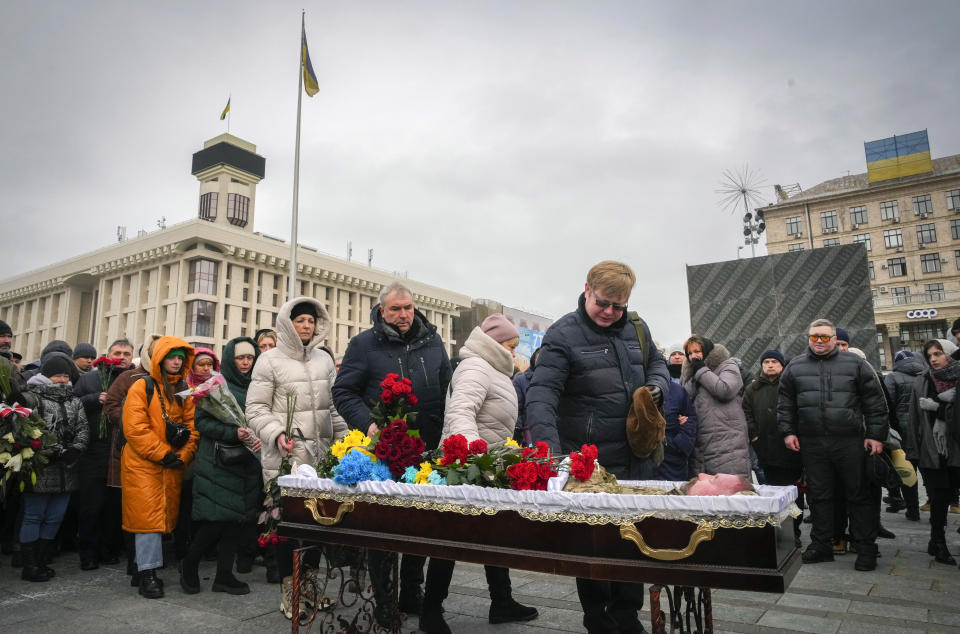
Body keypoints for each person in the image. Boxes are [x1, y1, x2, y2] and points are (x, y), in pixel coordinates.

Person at [525, 261, 669, 634]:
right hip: (588, 465)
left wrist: (657, 386)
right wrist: (549, 455)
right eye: (603, 303)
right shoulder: (563, 335)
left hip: (634, 457)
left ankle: (627, 616)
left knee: (632, 540)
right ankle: (598, 619)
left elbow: (657, 363)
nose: (609, 312)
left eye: (617, 307)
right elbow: (541, 395)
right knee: (593, 546)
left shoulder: (637, 327)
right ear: (587, 289)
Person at [333, 282, 452, 625]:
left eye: (408, 308)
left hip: (427, 449)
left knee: (423, 526)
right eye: (396, 309)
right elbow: (343, 391)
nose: (403, 315)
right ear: (381, 310)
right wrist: (367, 423)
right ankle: (386, 603)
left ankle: (411, 593)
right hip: (384, 452)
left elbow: (447, 389)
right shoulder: (364, 345)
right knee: (385, 530)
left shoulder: (433, 341)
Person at [423, 315, 538, 632]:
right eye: (511, 346)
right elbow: (461, 413)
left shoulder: (492, 370)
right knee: (449, 540)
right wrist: (475, 454)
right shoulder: (476, 367)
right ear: (496, 344)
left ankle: (502, 601)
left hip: (486, 467)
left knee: (495, 534)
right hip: (466, 467)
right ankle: (431, 610)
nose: (514, 353)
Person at [247, 297, 347, 613]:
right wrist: (276, 432)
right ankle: (289, 594)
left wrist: (346, 444)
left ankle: (310, 590)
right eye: (300, 320)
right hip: (286, 458)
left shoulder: (324, 361)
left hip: (322, 459)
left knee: (319, 523)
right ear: (287, 323)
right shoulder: (269, 360)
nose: (306, 326)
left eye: (310, 321)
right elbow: (256, 408)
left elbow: (333, 408)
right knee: (287, 527)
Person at [778, 319, 888, 571]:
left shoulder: (856, 364)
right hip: (812, 442)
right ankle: (821, 545)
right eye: (814, 336)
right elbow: (785, 405)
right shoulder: (795, 366)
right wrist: (788, 432)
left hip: (850, 441)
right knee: (819, 495)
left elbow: (875, 403)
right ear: (808, 337)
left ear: (834, 339)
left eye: (825, 337)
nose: (819, 341)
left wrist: (875, 435)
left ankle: (866, 547)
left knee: (858, 494)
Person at [180, 337, 263, 595]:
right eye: (240, 357)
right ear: (230, 359)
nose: (246, 362)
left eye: (250, 357)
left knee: (236, 522)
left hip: (247, 463)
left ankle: (224, 577)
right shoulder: (215, 385)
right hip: (219, 463)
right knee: (216, 521)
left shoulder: (258, 386)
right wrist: (234, 432)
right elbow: (203, 423)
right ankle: (189, 564)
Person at [121, 337, 199, 599]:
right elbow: (135, 428)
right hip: (143, 464)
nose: (177, 361)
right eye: (171, 356)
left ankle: (141, 568)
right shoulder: (141, 386)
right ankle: (148, 575)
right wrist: (163, 454)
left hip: (169, 464)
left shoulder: (183, 389)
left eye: (180, 357)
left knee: (160, 517)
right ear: (159, 358)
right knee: (148, 521)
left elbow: (192, 427)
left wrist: (183, 456)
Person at [21, 354, 89, 582]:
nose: (61, 380)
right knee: (34, 515)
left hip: (68, 468)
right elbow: (30, 429)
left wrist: (76, 448)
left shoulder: (74, 400)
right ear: (45, 376)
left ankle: (42, 559)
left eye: (65, 375)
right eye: (56, 375)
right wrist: (58, 449)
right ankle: (29, 564)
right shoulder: (31, 399)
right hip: (41, 466)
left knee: (55, 516)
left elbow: (82, 426)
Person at [73, 338, 134, 570]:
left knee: (114, 506)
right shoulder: (90, 378)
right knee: (92, 505)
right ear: (107, 355)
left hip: (121, 451)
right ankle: (88, 552)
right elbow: (72, 404)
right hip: (95, 451)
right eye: (117, 352)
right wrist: (92, 399)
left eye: (126, 353)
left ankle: (109, 549)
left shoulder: (135, 379)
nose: (121, 357)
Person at [104, 335, 161, 581]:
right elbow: (112, 404)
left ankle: (149, 561)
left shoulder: (170, 380)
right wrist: (133, 423)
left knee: (152, 508)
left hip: (159, 452)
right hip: (129, 449)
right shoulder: (128, 377)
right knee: (133, 508)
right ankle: (134, 561)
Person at [907, 339, 960, 566]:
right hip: (931, 449)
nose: (934, 359)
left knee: (951, 494)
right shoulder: (922, 380)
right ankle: (938, 541)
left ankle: (936, 540)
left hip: (957, 448)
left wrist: (939, 406)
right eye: (930, 355)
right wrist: (912, 450)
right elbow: (913, 418)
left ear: (949, 354)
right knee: (938, 497)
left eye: (938, 353)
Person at [744, 349, 802, 545]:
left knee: (793, 492)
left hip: (790, 449)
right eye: (766, 361)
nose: (770, 365)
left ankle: (795, 531)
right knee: (774, 491)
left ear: (782, 365)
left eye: (774, 362)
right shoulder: (752, 389)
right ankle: (779, 530)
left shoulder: (790, 385)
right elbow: (747, 412)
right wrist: (754, 434)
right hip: (766, 448)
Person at [681, 335, 751, 478]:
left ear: (706, 350)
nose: (694, 356)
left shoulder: (727, 365)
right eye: (690, 353)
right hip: (700, 441)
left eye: (697, 351)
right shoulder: (690, 373)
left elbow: (725, 390)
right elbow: (685, 398)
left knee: (730, 488)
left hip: (727, 439)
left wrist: (701, 371)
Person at [884, 350, 925, 521]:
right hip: (925, 429)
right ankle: (937, 507)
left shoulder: (893, 377)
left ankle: (912, 510)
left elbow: (887, 403)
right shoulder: (924, 375)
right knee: (928, 468)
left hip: (903, 431)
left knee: (908, 470)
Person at [652, 344, 698, 481]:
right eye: (673, 354)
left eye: (680, 353)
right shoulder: (641, 389)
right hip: (647, 458)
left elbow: (691, 418)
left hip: (674, 459)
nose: (677, 357)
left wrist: (678, 444)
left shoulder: (678, 390)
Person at [511, 347, 542, 445]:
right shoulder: (521, 381)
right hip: (528, 433)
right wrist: (519, 430)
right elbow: (517, 409)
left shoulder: (557, 381)